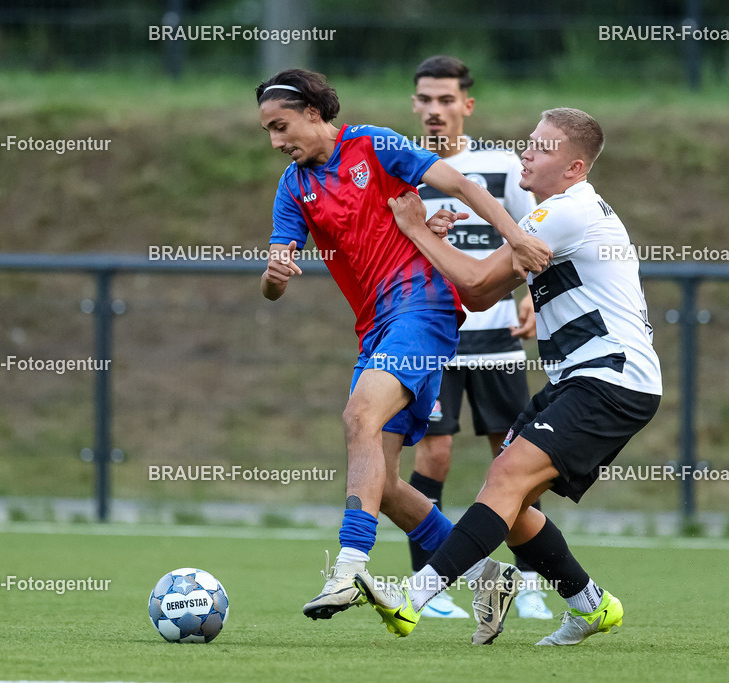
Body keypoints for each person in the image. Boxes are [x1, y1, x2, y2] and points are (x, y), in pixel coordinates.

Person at [354, 107, 662, 646]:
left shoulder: (562, 212)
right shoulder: (557, 214)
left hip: (611, 378)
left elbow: (473, 286)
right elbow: (480, 293)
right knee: (510, 502)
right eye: (528, 142)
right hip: (583, 379)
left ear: (575, 167)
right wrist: (428, 238)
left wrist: (412, 230)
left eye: (543, 147)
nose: (527, 152)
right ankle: (590, 604)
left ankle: (414, 597)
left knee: (503, 481)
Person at [256, 68, 552, 622]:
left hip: (424, 309)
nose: (276, 142)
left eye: (281, 126)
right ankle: (488, 572)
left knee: (358, 416)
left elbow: (462, 185)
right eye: (268, 132)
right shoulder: (294, 187)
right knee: (386, 484)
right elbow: (272, 288)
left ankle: (347, 568)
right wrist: (275, 272)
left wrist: (515, 236)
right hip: (376, 328)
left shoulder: (374, 143)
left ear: (315, 114)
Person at [405, 55, 551, 621]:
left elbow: (536, 234)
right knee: (435, 454)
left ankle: (532, 581)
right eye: (426, 100)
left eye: (446, 100)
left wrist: (534, 301)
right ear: (414, 105)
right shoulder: (403, 168)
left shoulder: (496, 167)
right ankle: (429, 583)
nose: (435, 110)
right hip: (432, 338)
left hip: (496, 341)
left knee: (513, 461)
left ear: (467, 104)